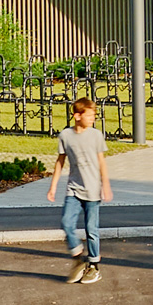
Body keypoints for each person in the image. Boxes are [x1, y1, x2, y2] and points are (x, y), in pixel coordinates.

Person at [46, 96, 112, 284]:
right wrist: (53, 186)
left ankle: (94, 267)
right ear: (77, 116)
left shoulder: (96, 135)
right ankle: (78, 260)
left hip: (92, 190)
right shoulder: (66, 136)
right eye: (89, 115)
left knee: (92, 230)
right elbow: (60, 161)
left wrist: (105, 184)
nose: (92, 118)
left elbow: (101, 161)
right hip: (73, 189)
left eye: (94, 115)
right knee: (66, 222)